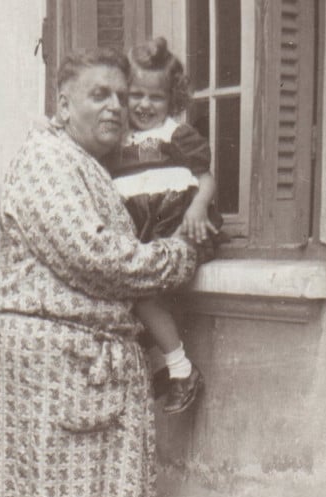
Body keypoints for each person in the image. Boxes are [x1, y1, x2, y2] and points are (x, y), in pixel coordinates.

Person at [0, 48, 198, 497]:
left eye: (121, 96)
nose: (115, 107)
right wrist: (176, 255)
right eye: (98, 94)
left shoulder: (82, 164)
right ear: (63, 102)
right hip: (47, 365)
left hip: (75, 364)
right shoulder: (45, 161)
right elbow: (99, 258)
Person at [106, 37, 222, 414]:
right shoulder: (117, 143)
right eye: (136, 95)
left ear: (172, 99)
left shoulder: (176, 135)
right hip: (144, 235)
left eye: (155, 98)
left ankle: (181, 369)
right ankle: (171, 367)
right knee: (136, 300)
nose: (144, 105)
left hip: (177, 226)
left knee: (144, 294)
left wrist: (199, 207)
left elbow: (205, 178)